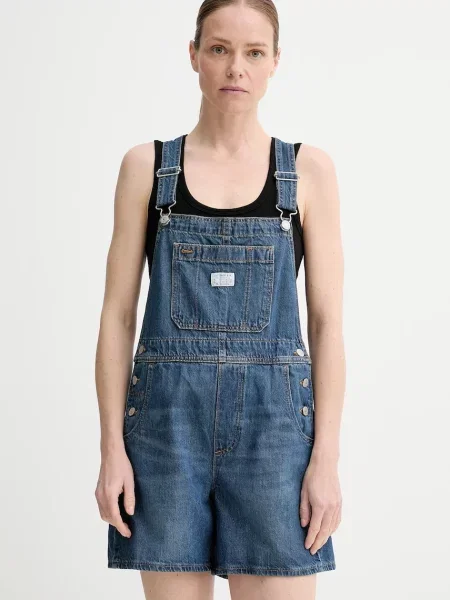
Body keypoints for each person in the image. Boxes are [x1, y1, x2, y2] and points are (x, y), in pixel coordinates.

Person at [95, 1, 345, 598]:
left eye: (254, 52)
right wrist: (111, 450)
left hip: (276, 438)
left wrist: (326, 459)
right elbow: (117, 317)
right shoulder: (147, 168)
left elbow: (327, 324)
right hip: (165, 432)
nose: (236, 67)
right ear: (194, 56)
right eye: (219, 49)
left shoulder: (307, 171)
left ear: (275, 62)